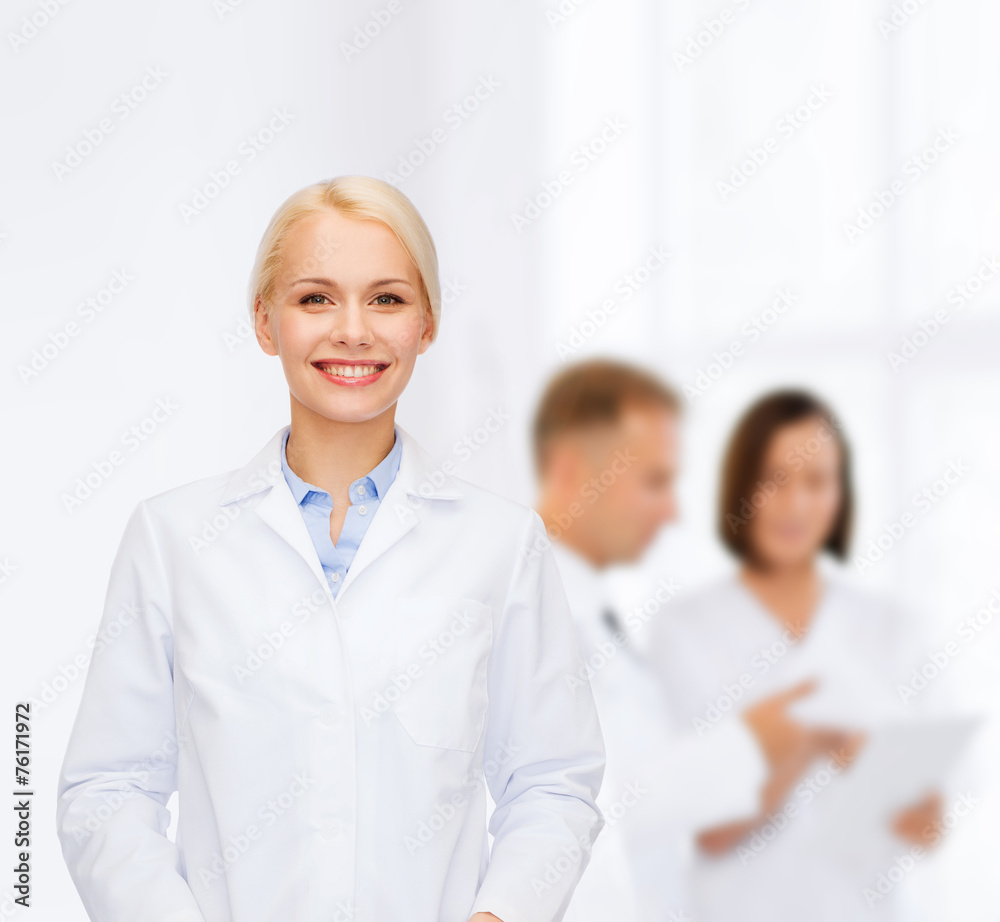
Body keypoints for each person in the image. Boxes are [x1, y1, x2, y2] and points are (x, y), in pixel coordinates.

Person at [55, 176, 606, 922]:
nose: (354, 330)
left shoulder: (500, 545)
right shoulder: (173, 538)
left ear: (428, 323)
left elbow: (552, 781)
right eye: (315, 298)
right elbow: (108, 790)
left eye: (387, 298)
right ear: (264, 322)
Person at [529, 361, 854, 919]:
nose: (673, 510)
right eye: (654, 482)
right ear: (570, 472)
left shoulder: (591, 612)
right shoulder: (522, 613)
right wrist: (755, 744)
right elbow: (597, 800)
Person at [644, 388, 943, 921]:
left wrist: (871, 770)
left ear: (841, 494)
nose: (795, 504)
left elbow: (925, 827)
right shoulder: (684, 630)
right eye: (773, 480)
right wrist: (809, 740)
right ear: (742, 486)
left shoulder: (890, 629)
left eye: (816, 482)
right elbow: (705, 830)